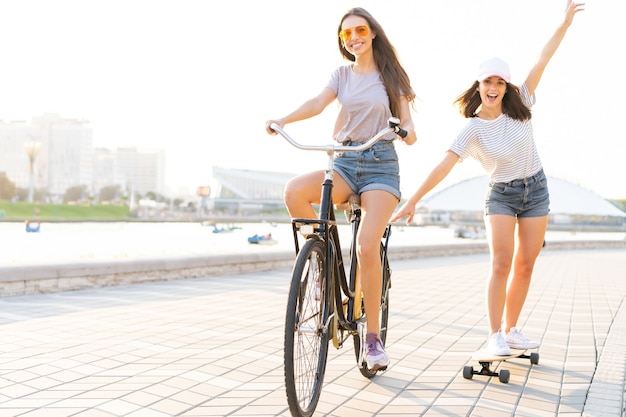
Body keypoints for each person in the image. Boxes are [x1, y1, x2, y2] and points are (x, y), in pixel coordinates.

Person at [391, 1, 584, 355]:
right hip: (501, 195)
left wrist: (565, 24)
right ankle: (494, 334)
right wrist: (414, 199)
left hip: (536, 190)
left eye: (499, 82)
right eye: (487, 82)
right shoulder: (473, 131)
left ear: (506, 86)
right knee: (501, 262)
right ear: (478, 86)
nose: (493, 87)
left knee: (526, 264)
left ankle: (511, 330)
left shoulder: (522, 102)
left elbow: (543, 59)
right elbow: (444, 165)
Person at [265, 7, 417, 369]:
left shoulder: (391, 76)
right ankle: (321, 264)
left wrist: (405, 132)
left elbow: (409, 126)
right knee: (294, 191)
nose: (354, 38)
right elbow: (318, 103)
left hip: (380, 164)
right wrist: (283, 119)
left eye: (360, 30)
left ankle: (373, 340)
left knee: (367, 245)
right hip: (346, 160)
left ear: (373, 33)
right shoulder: (341, 75)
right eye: (346, 34)